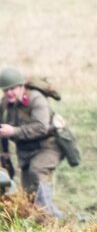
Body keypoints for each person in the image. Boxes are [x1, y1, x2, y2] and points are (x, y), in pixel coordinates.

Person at [0, 67, 64, 218]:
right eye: (6, 90)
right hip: (26, 151)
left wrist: (13, 132)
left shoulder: (36, 99)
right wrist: (5, 152)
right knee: (27, 191)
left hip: (48, 146)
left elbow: (42, 128)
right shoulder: (5, 103)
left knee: (37, 170)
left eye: (13, 89)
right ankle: (39, 219)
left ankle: (51, 217)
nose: (9, 93)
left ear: (22, 86)